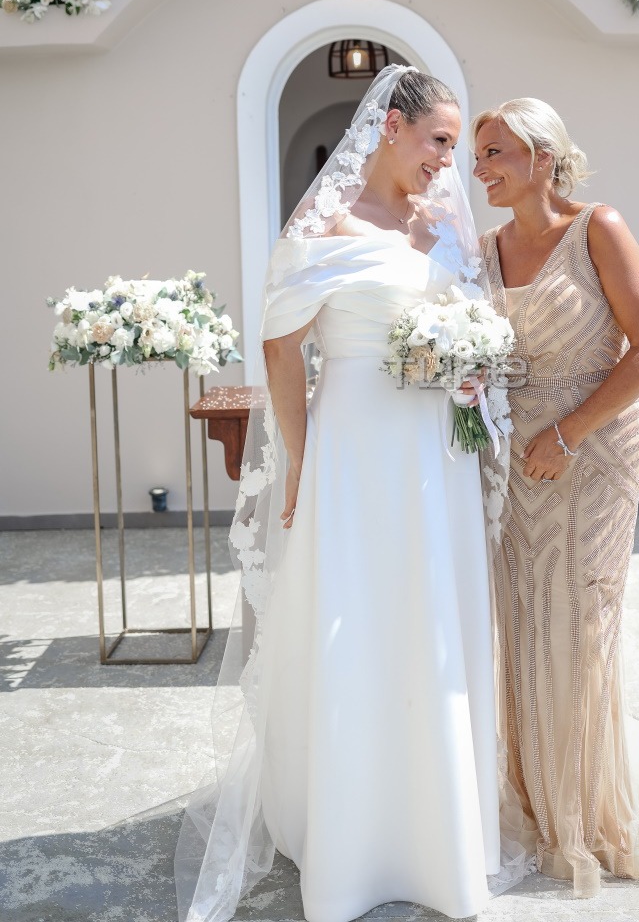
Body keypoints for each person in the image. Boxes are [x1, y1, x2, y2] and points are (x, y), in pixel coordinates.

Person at [175, 66, 501, 922]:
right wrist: (302, 460)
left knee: (429, 620)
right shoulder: (322, 226)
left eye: (453, 146)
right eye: (438, 141)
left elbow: (471, 321)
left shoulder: (440, 224)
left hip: (437, 452)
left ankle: (435, 832)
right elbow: (280, 351)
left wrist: (469, 369)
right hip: (356, 445)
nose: (448, 161)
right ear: (390, 127)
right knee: (358, 618)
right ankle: (355, 842)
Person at [472, 97, 639, 899]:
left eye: (495, 152)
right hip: (513, 461)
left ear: (543, 157)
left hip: (595, 448)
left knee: (580, 624)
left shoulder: (598, 229)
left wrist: (570, 433)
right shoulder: (482, 250)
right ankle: (536, 805)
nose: (479, 168)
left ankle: (586, 818)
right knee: (520, 622)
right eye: (477, 154)